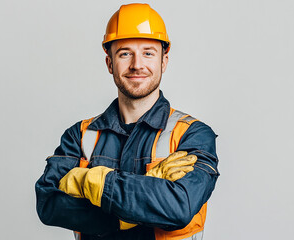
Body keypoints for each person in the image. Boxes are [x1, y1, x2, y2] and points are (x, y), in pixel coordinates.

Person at [35, 3, 219, 240]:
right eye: (125, 53)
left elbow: (179, 207)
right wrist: (144, 197)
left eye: (148, 53)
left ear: (163, 61)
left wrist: (94, 181)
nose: (137, 64)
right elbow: (49, 204)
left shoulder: (192, 135)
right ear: (110, 63)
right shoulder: (79, 136)